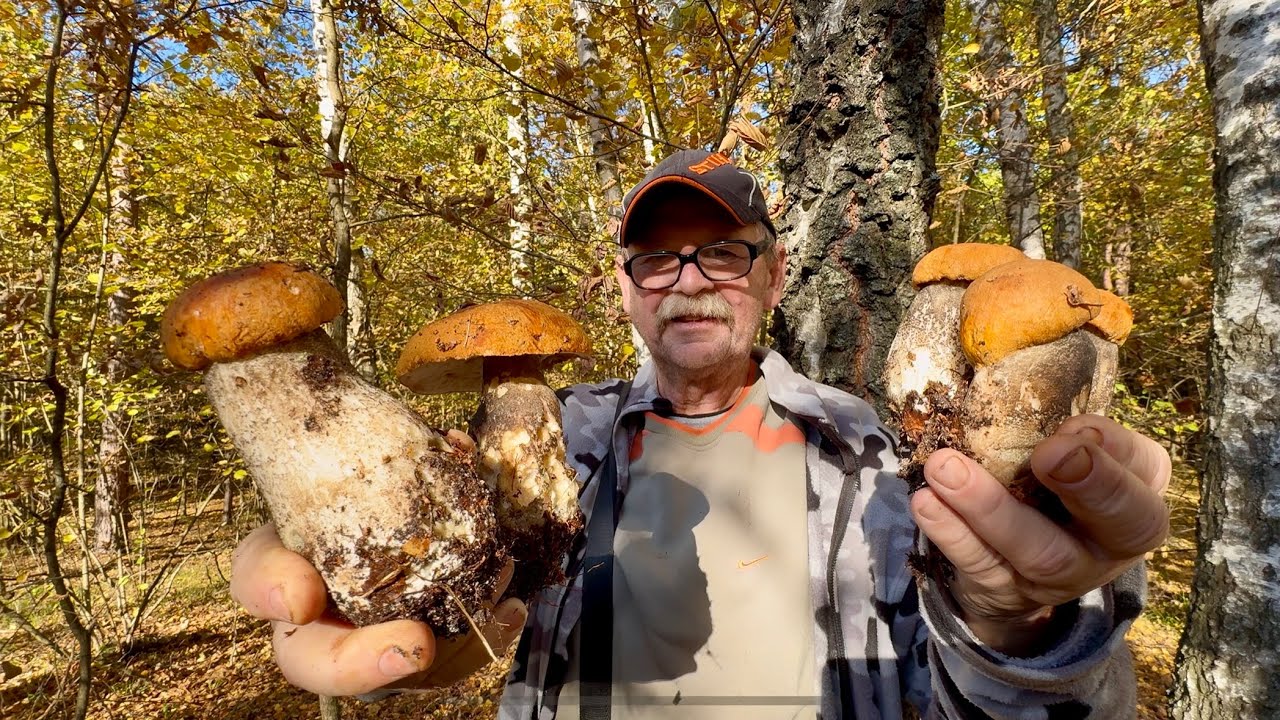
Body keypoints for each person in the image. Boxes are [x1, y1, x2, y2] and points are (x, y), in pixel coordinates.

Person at [230, 149, 1170, 718]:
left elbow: (1018, 705)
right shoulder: (558, 454)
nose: (687, 281)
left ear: (775, 272)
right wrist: (430, 625)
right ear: (626, 285)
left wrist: (1030, 627)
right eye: (654, 259)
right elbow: (489, 611)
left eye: (723, 252)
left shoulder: (890, 461)